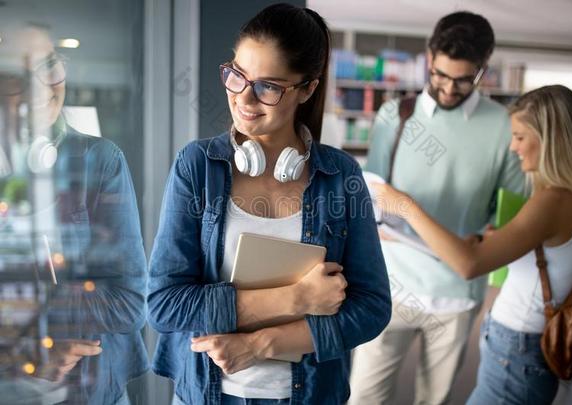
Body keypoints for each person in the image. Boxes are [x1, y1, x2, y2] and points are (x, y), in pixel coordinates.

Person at [146, 4, 391, 405]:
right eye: (237, 75)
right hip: (207, 394)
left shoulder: (341, 176)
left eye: (268, 87)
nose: (244, 97)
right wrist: (295, 298)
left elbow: (372, 307)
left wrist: (262, 344)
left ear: (307, 88)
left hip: (309, 395)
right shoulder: (197, 167)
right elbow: (163, 305)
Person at [372, 84, 572, 404]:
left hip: (517, 354)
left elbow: (469, 265)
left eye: (520, 137)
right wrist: (486, 242)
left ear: (550, 139)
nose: (513, 148)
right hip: (519, 351)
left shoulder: (554, 200)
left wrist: (406, 206)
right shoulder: (569, 199)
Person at [349, 11, 525, 405]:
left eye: (463, 80)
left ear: (483, 69)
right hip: (389, 285)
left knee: (436, 400)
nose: (448, 89)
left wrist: (486, 237)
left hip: (456, 294)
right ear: (430, 57)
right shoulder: (395, 115)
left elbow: (511, 212)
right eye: (441, 76)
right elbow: (372, 190)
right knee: (362, 397)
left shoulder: (502, 125)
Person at [0, 28, 147, 404]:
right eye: (20, 76)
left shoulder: (101, 162)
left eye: (49, 66)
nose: (42, 87)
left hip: (92, 393)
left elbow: (129, 304)